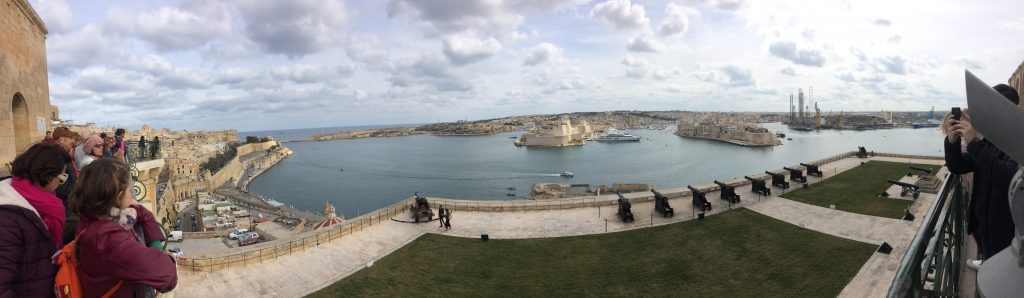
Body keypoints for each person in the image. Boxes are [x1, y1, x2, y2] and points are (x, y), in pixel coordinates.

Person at [71, 158, 177, 297]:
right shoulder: (108, 240)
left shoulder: (94, 215)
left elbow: (141, 213)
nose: (131, 193)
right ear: (119, 195)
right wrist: (158, 252)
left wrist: (154, 241)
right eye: (129, 189)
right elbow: (167, 275)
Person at [944, 84, 1020, 270]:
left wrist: (973, 143)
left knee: (1001, 275)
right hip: (986, 226)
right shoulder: (992, 139)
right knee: (989, 257)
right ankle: (986, 263)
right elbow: (958, 166)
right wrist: (952, 142)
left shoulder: (1018, 141)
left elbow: (1007, 179)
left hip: (1004, 234)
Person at [0, 143, 71, 297]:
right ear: (48, 176)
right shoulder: (8, 218)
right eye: (62, 177)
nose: (60, 184)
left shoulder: (41, 203)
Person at [51, 127, 80, 245]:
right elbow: (59, 186)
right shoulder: (56, 157)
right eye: (70, 138)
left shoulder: (63, 154)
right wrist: (77, 189)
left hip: (69, 205)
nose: (72, 141)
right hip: (65, 208)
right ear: (61, 139)